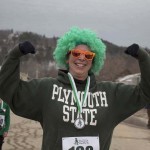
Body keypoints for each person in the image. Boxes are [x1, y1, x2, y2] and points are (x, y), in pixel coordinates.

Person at [0, 26, 150, 150]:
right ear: (66, 56)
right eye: (76, 53)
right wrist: (15, 54)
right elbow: (9, 89)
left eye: (88, 55)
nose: (82, 58)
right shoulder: (47, 89)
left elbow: (145, 92)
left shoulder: (110, 94)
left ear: (94, 60)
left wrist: (143, 58)